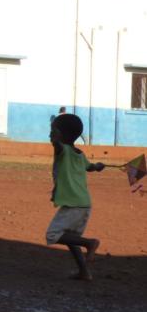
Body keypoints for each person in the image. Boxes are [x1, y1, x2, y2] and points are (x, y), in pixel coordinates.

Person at [47, 113, 104, 281]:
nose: (50, 135)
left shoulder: (62, 150)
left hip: (73, 204)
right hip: (84, 203)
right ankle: (84, 272)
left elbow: (57, 144)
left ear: (60, 135)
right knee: (71, 239)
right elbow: (91, 167)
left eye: (53, 131)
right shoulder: (80, 154)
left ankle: (90, 243)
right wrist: (98, 166)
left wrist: (56, 138)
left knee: (53, 235)